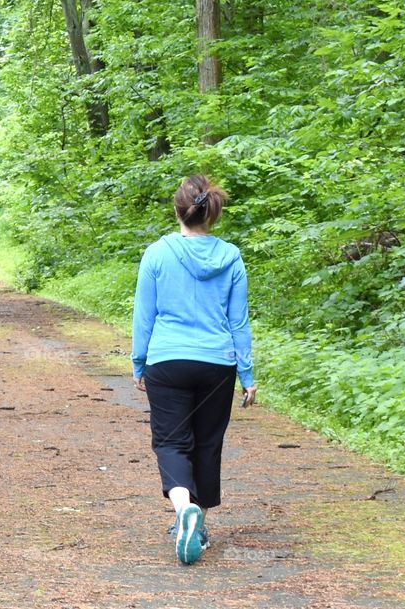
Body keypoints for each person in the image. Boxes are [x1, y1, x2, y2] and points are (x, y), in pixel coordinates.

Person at [131, 174, 257, 565]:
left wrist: (139, 362)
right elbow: (239, 322)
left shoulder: (157, 253)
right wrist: (247, 376)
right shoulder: (231, 256)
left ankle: (182, 507)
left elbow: (144, 314)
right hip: (217, 364)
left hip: (168, 360)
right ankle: (197, 522)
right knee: (207, 442)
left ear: (177, 209)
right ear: (212, 215)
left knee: (171, 442)